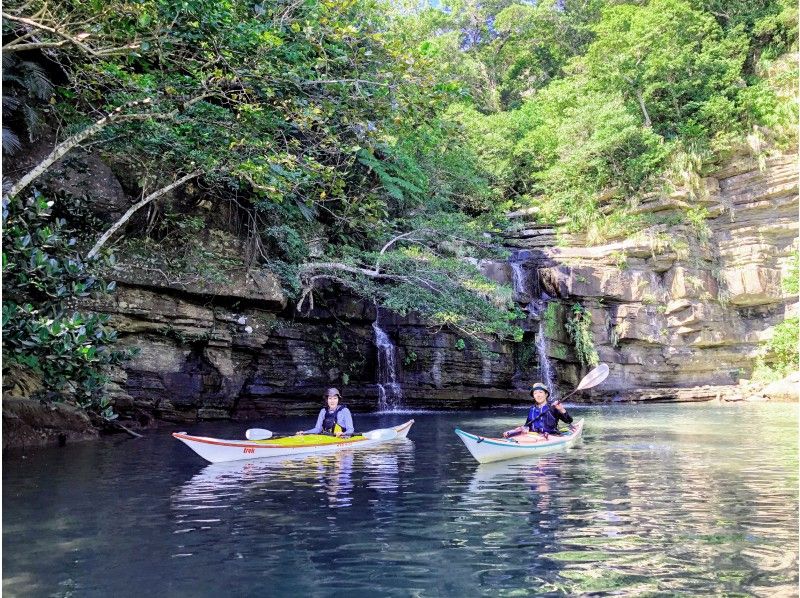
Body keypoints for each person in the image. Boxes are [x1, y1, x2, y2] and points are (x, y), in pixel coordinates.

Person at [503, 382, 573, 438]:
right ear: (533, 396)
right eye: (535, 393)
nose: (538, 395)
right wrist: (518, 430)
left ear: (546, 394)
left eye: (540, 392)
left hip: (551, 437)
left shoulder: (553, 407)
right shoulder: (532, 409)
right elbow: (527, 425)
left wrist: (561, 409)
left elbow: (569, 421)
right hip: (534, 437)